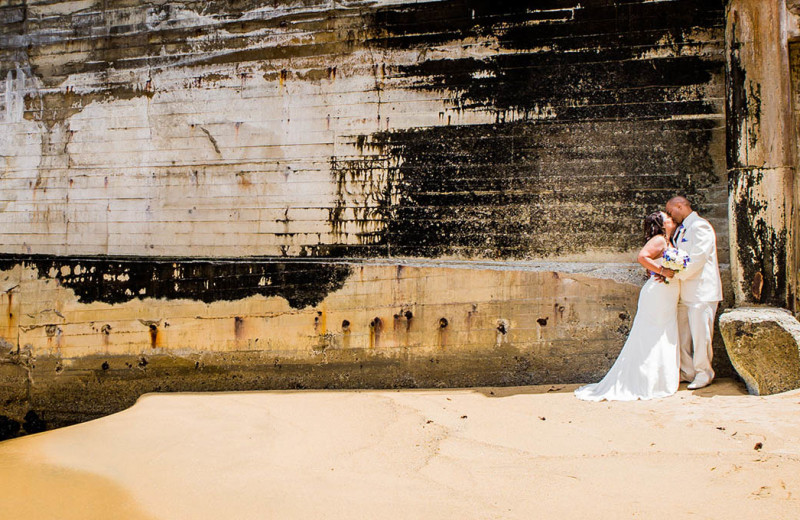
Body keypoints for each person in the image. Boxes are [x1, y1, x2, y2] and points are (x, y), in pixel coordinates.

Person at [575, 211, 680, 401]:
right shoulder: (659, 240)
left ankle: (658, 379)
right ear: (661, 224)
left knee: (662, 332)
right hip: (657, 293)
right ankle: (646, 381)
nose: (672, 220)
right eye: (668, 218)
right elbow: (642, 257)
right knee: (651, 334)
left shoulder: (666, 240)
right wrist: (662, 271)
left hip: (666, 294)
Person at [663, 196, 723, 390]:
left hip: (702, 291)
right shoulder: (680, 230)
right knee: (682, 335)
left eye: (671, 211)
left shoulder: (700, 226)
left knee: (700, 335)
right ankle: (687, 371)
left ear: (680, 206)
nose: (670, 215)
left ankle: (703, 372)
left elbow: (698, 258)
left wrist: (676, 275)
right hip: (684, 291)